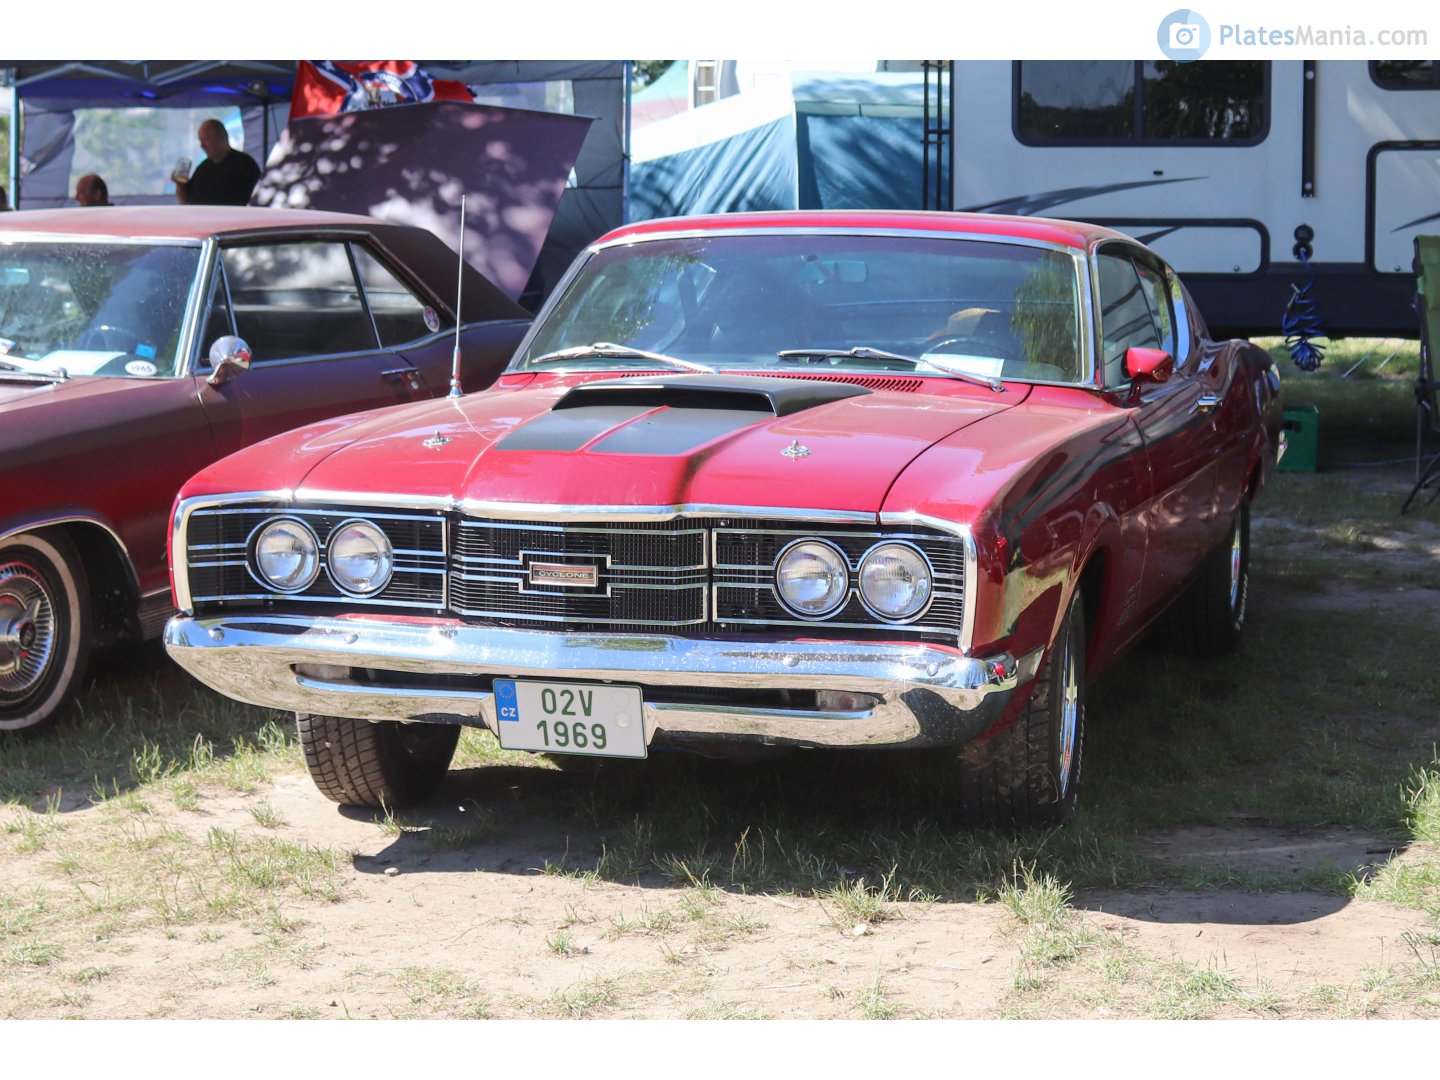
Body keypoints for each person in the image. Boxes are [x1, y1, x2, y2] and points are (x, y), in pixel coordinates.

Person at [174, 119, 261, 206]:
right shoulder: (203, 168)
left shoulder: (245, 165)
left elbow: (256, 201)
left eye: (206, 140)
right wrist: (180, 184)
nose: (202, 146)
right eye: (201, 141)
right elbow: (186, 200)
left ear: (222, 137)